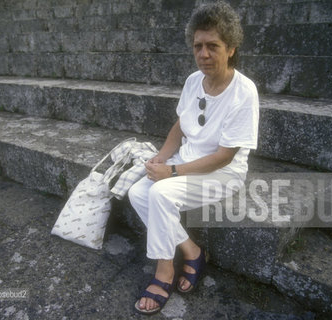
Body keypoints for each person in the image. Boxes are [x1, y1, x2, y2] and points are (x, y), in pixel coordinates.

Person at [129, 1, 259, 315]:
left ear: (231, 49)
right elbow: (180, 124)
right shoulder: (192, 81)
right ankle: (192, 250)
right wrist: (160, 158)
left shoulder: (244, 93)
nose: (203, 54)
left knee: (159, 193)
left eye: (212, 46)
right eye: (197, 46)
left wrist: (171, 172)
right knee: (136, 192)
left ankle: (164, 271)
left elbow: (225, 157)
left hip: (222, 173)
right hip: (187, 160)